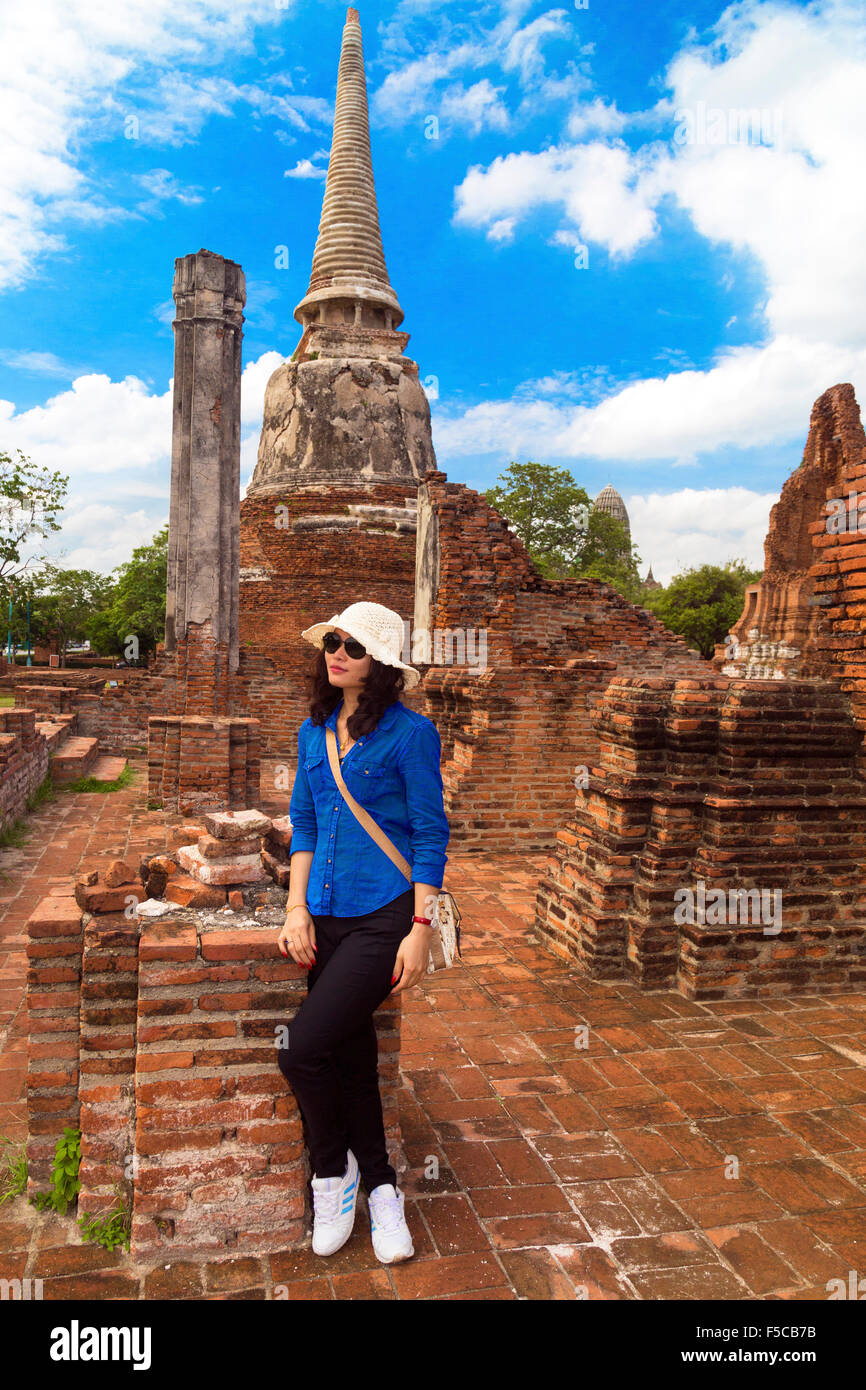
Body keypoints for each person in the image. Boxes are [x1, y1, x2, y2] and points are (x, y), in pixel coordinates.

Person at [276, 600, 449, 1265]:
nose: (337, 652)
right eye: (333, 642)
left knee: (298, 1050)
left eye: (353, 645)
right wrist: (295, 910)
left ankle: (331, 1172)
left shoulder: (412, 735)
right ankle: (379, 1190)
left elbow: (431, 835)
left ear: (380, 664)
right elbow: (306, 825)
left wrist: (421, 927)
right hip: (323, 913)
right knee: (350, 1058)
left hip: (385, 917)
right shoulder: (311, 732)